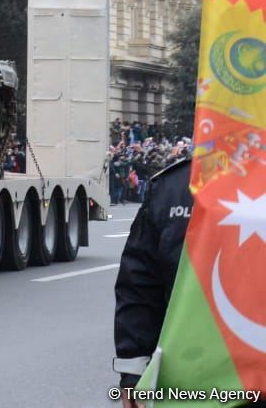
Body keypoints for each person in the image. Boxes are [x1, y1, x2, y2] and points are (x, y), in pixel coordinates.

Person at [113, 155, 192, 407]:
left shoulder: (174, 184)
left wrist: (133, 373)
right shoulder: (174, 186)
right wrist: (133, 374)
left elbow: (139, 286)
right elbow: (141, 284)